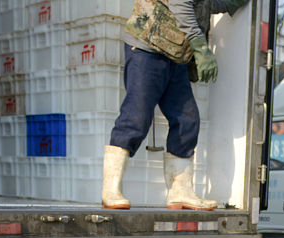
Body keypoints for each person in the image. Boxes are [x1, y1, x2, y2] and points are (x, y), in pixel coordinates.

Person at [101, 0, 251, 210]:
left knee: (187, 121)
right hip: (147, 47)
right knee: (136, 117)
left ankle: (180, 192)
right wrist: (201, 48)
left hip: (175, 56)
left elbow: (205, 3)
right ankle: (110, 190)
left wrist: (231, 2)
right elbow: (181, 3)